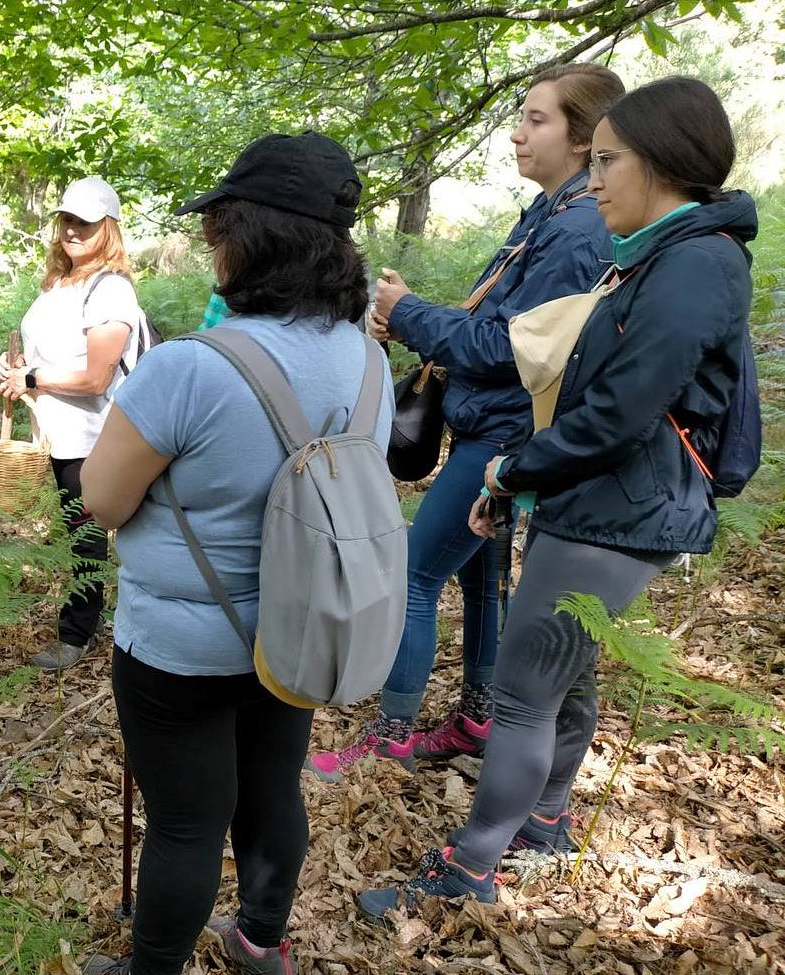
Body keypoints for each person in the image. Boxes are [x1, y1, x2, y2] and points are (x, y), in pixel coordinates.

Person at [360, 76, 756, 917]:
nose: (596, 180)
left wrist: (511, 471)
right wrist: (522, 486)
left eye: (608, 161)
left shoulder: (693, 262)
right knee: (563, 679)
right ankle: (542, 824)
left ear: (660, 163)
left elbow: (618, 412)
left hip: (617, 509)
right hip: (599, 499)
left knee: (522, 692)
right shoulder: (662, 253)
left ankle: (470, 866)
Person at [78, 133, 394, 975]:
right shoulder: (368, 360)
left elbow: (101, 499)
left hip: (181, 645)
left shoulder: (188, 367)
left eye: (216, 227)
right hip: (303, 624)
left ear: (244, 237)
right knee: (272, 787)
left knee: (186, 822)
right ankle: (260, 938)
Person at [309, 64, 624, 782]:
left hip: (505, 433)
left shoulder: (576, 231)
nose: (517, 133)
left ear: (582, 139)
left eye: (537, 119)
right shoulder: (548, 214)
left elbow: (509, 350)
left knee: (413, 573)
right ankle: (478, 718)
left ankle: (390, 734)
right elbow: (504, 324)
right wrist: (414, 316)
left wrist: (411, 313)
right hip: (496, 426)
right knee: (482, 579)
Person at [0, 177, 147, 671]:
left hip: (92, 436)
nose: (72, 230)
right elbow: (49, 355)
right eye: (67, 220)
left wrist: (32, 378)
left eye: (85, 222)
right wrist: (15, 365)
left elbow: (96, 378)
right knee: (77, 529)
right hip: (57, 434)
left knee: (86, 535)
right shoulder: (59, 283)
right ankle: (93, 619)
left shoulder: (111, 289)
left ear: (109, 228)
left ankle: (77, 633)